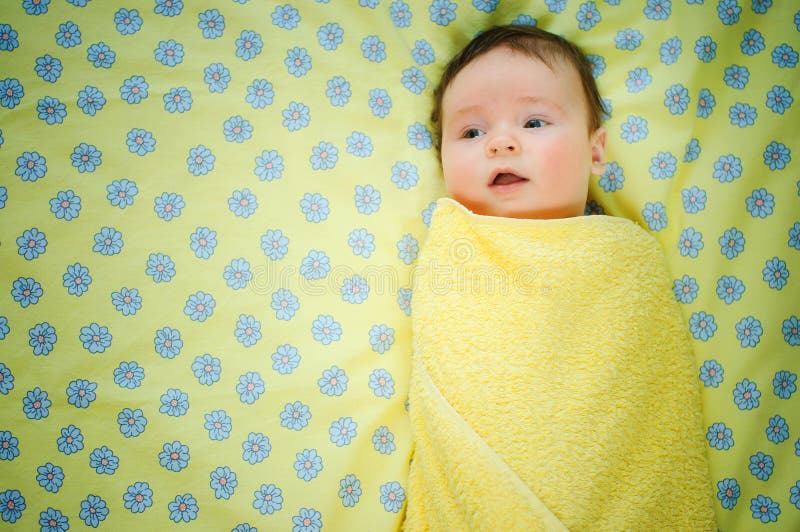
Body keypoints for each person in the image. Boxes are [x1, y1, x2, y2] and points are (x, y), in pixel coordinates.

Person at [405, 25, 716, 531]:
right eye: (471, 133)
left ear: (596, 151)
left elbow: (645, 393)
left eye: (533, 121)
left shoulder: (624, 257)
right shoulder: (453, 248)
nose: (501, 143)